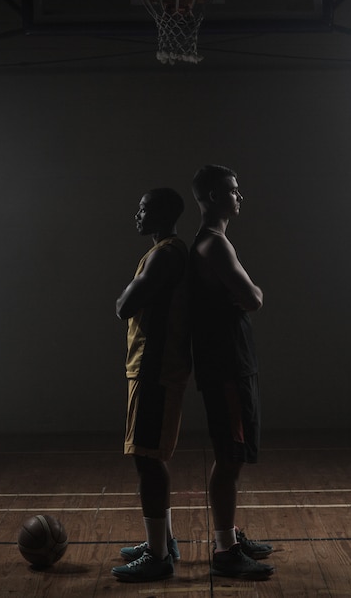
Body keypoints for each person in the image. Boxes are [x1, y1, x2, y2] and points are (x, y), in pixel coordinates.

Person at [190, 164, 274, 580]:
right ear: (209, 196)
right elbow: (253, 298)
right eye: (231, 190)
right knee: (229, 458)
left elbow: (247, 298)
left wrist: (249, 294)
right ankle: (224, 551)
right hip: (225, 367)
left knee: (233, 456)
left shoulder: (218, 241)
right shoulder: (214, 245)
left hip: (232, 364)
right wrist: (253, 292)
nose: (239, 196)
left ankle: (230, 537)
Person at [112, 187, 191, 583]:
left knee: (147, 457)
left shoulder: (164, 255)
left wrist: (126, 294)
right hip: (152, 366)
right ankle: (164, 542)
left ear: (161, 213)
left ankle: (159, 556)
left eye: (143, 209)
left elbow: (124, 305)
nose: (137, 216)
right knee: (150, 457)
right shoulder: (163, 252)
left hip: (156, 367)